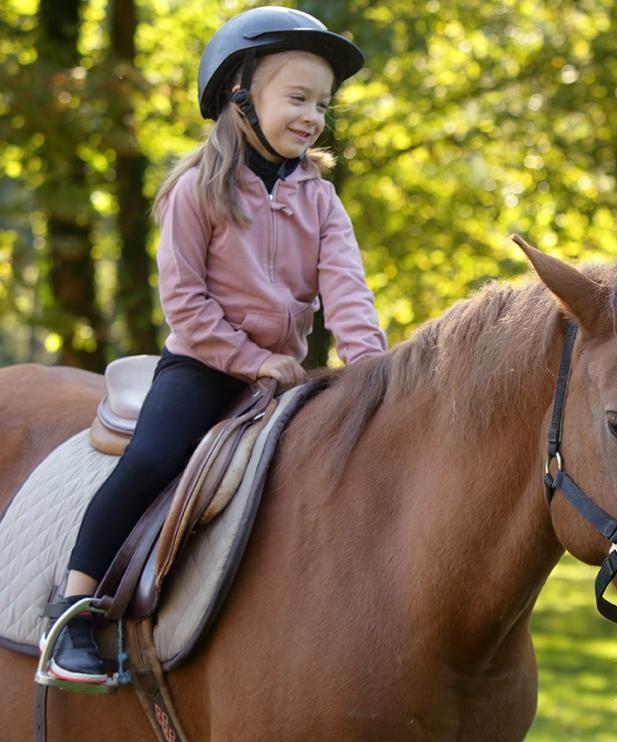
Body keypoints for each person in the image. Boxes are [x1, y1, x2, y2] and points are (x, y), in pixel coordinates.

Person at [45, 6, 388, 684]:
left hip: (281, 380)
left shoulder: (319, 197)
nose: (314, 115)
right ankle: (74, 606)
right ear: (239, 96)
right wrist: (252, 359)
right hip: (205, 367)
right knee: (151, 459)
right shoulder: (195, 190)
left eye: (322, 104)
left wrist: (374, 372)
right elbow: (186, 305)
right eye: (297, 97)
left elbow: (347, 291)